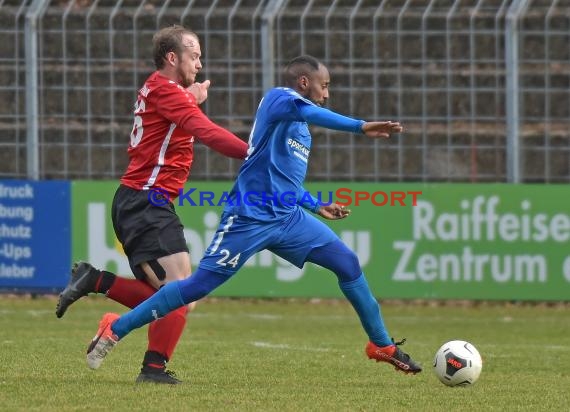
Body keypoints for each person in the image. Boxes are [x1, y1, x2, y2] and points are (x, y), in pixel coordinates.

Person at [83, 55, 422, 375]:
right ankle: (115, 327)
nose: (327, 93)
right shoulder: (279, 98)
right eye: (325, 85)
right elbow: (311, 114)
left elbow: (278, 176)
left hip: (289, 219)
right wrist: (360, 127)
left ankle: (381, 345)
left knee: (347, 263)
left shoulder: (300, 127)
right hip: (248, 219)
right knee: (196, 286)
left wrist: (314, 204)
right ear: (304, 82)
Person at [55, 25, 248, 384]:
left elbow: (180, 108)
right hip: (146, 201)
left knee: (175, 294)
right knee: (181, 291)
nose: (200, 65)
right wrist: (253, 154)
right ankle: (152, 366)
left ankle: (98, 282)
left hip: (146, 200)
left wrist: (192, 97)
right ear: (173, 58)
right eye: (195, 56)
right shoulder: (168, 91)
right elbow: (204, 131)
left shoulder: (164, 89)